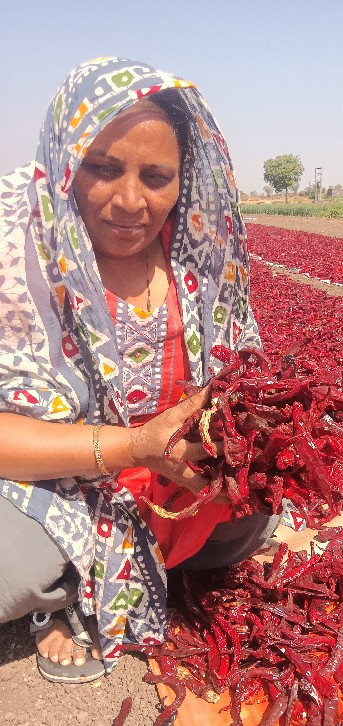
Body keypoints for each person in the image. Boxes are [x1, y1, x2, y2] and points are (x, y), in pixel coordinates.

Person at [0, 57, 280, 683]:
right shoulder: (18, 263)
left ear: (186, 179)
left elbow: (233, 387)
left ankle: (94, 577)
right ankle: (58, 595)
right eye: (101, 168)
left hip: (170, 479)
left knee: (251, 511)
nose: (131, 201)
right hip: (53, 479)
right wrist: (130, 447)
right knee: (10, 564)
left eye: (157, 176)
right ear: (66, 161)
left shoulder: (196, 260)